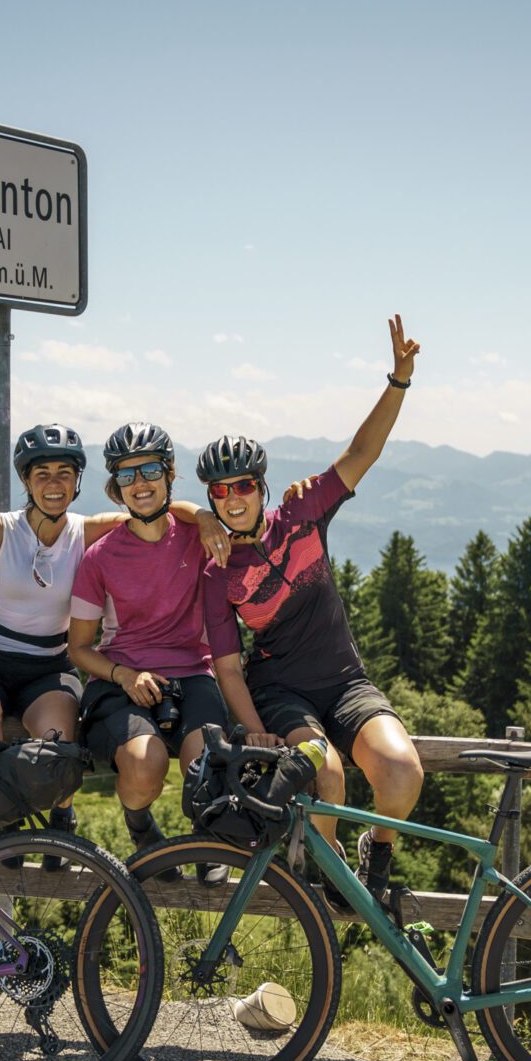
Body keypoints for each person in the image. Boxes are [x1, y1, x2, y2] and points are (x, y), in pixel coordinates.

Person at [199, 314, 426, 905]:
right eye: (218, 492)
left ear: (261, 485)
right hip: (281, 692)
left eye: (242, 485)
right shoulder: (216, 572)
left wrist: (397, 381)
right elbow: (227, 667)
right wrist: (254, 728)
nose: (232, 498)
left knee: (402, 774)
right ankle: (327, 884)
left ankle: (376, 859)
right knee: (326, 775)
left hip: (346, 682)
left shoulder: (303, 514)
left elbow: (362, 453)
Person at [0, 423, 228, 868]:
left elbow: (153, 506)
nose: (54, 484)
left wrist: (206, 515)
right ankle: (9, 828)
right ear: (26, 481)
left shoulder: (86, 530)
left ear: (79, 481)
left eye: (64, 473)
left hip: (47, 666)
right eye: (42, 474)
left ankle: (61, 816)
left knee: (60, 752)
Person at [68, 423, 231, 885]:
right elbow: (78, 647)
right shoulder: (99, 558)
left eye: (150, 470)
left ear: (170, 474)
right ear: (115, 487)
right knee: (144, 764)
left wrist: (202, 516)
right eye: (126, 475)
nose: (140, 483)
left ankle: (207, 837)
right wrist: (122, 675)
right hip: (120, 678)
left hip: (191, 673)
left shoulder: (197, 535)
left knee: (208, 766)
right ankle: (140, 829)